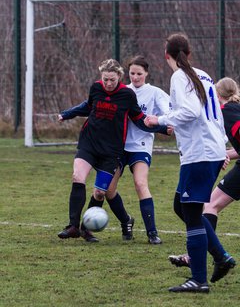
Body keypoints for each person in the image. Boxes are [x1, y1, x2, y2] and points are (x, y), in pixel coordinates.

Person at [144, 33, 236, 293]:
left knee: (192, 213)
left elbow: (190, 112)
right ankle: (221, 256)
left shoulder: (179, 76)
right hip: (211, 149)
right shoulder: (203, 74)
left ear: (166, 55)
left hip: (200, 153)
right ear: (190, 53)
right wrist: (220, 148)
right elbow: (211, 114)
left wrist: (159, 120)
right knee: (181, 206)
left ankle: (199, 279)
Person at [57, 59, 169, 242]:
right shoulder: (96, 88)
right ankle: (73, 227)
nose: (108, 83)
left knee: (102, 192)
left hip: (112, 150)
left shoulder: (128, 95)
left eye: (112, 80)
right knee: (78, 176)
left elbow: (139, 118)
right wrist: (67, 114)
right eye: (105, 79)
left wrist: (163, 128)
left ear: (119, 77)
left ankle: (121, 225)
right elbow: (88, 106)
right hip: (90, 143)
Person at [168, 77, 239, 269]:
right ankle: (204, 256)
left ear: (216, 94)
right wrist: (223, 154)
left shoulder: (228, 113)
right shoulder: (231, 111)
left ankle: (207, 257)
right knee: (210, 205)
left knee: (205, 206)